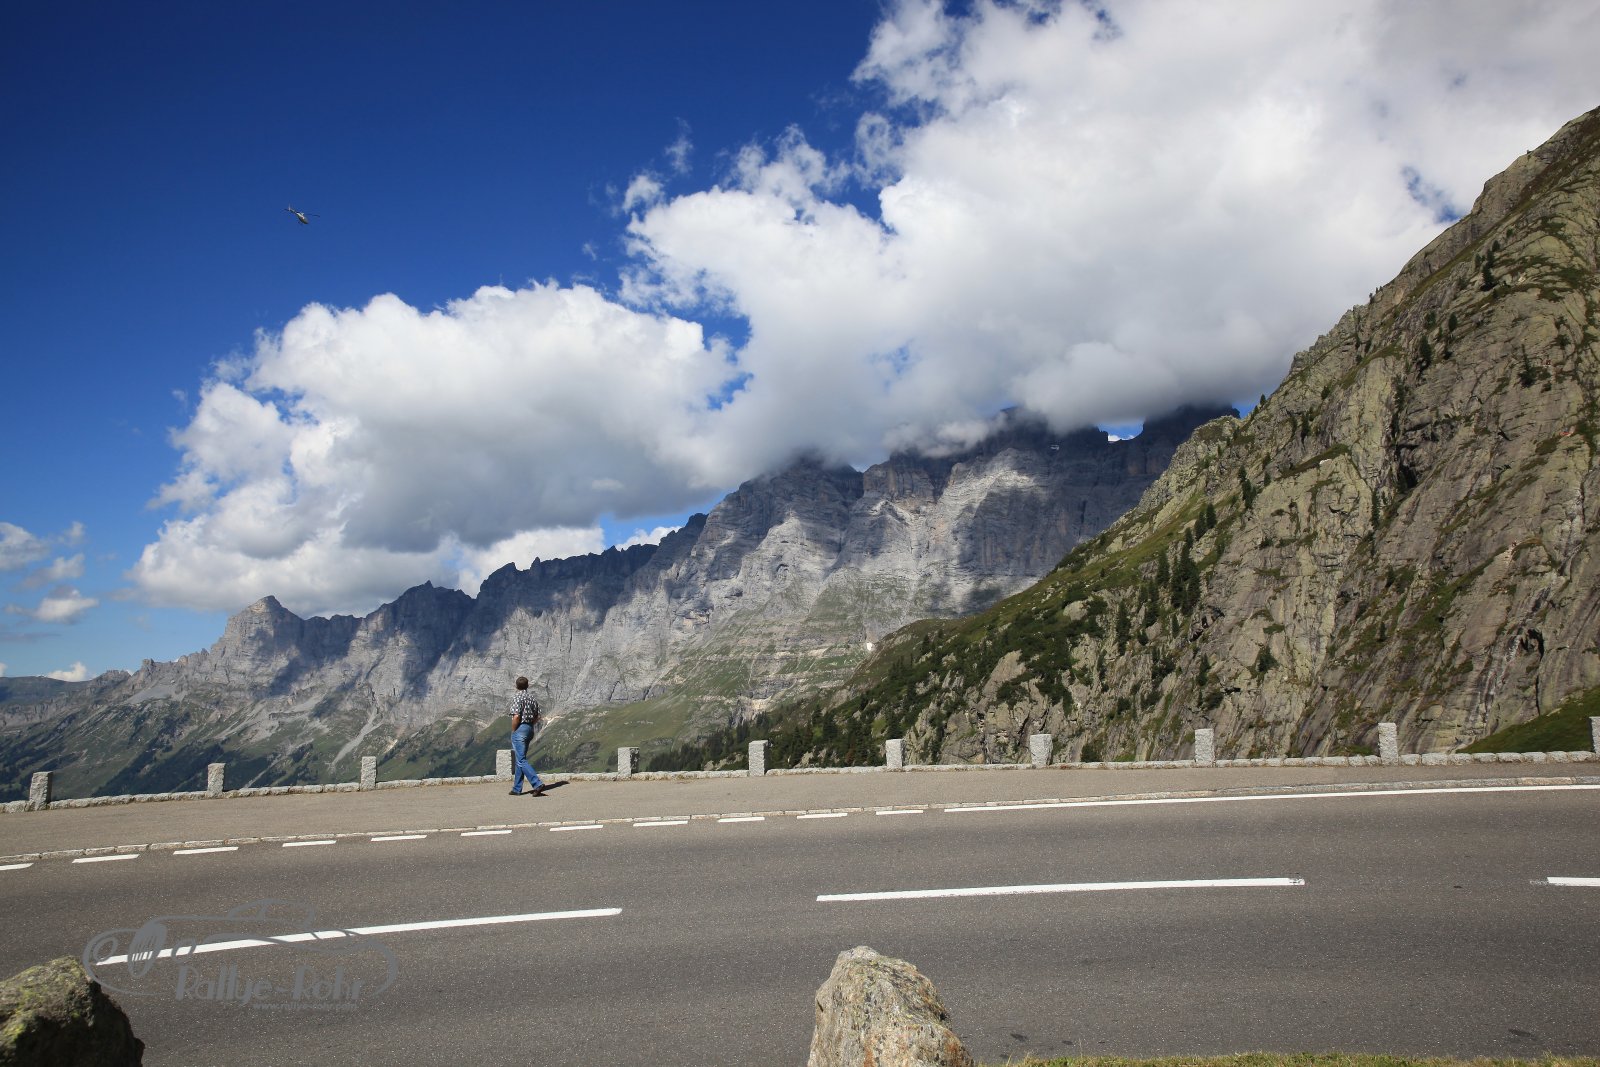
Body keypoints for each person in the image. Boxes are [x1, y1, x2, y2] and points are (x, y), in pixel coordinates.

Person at [508, 676, 546, 796]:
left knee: (521, 760)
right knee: (520, 758)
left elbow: (516, 716)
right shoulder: (532, 698)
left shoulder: (517, 697)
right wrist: (530, 725)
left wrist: (514, 730)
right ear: (528, 686)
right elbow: (538, 716)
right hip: (530, 728)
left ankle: (537, 784)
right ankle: (516, 788)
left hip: (520, 729)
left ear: (516, 686)